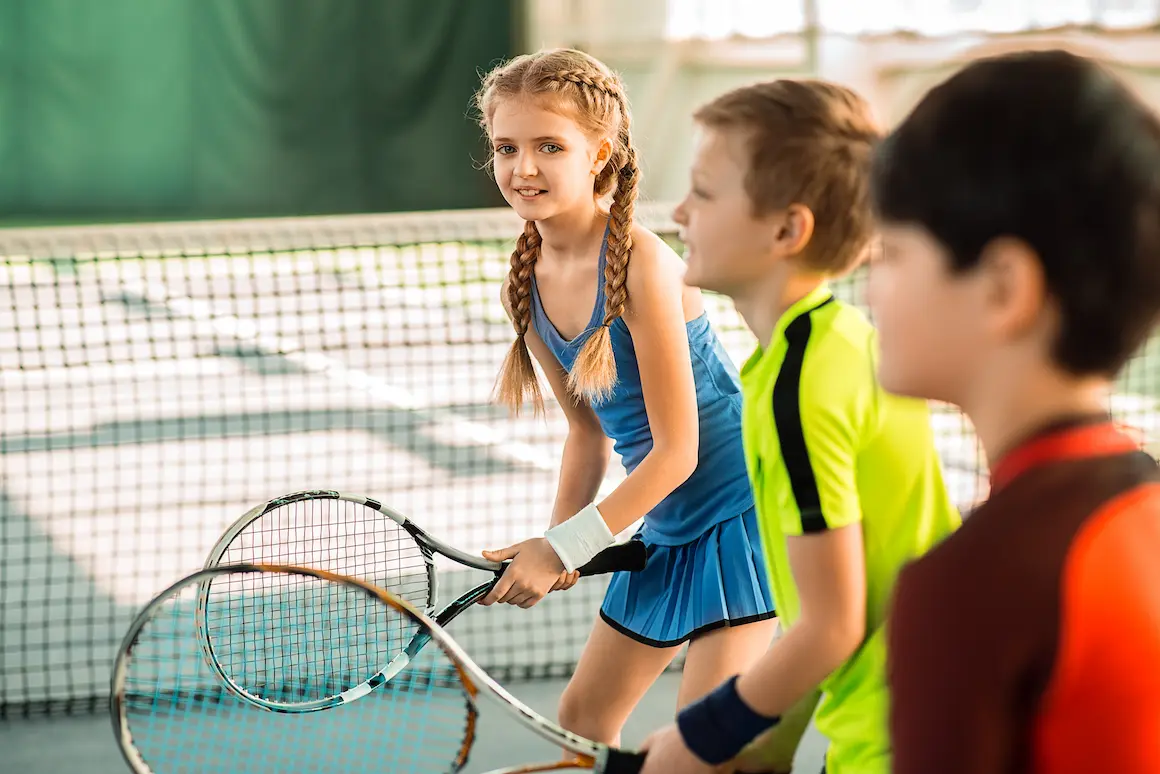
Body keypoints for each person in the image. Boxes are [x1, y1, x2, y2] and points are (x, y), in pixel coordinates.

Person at [640, 78, 960, 774]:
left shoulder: (798, 390)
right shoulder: (841, 343)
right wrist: (769, 747)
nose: (680, 209)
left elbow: (832, 625)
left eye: (705, 192)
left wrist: (701, 738)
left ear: (787, 229)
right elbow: (842, 598)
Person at [472, 48, 777, 746]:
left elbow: (678, 452)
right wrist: (560, 547)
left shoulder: (642, 262)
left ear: (599, 153)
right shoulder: (525, 284)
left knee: (705, 741)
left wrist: (563, 547)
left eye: (550, 146)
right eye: (506, 147)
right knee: (584, 722)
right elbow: (587, 435)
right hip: (663, 524)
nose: (524, 168)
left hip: (742, 511)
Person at [868, 48, 1160, 774]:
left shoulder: (969, 583)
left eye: (893, 253)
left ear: (1004, 287)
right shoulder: (1142, 506)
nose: (873, 284)